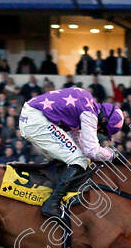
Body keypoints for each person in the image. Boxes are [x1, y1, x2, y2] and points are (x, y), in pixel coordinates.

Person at [18, 86, 124, 220]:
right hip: (36, 119)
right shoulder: (90, 114)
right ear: (103, 120)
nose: (99, 131)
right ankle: (52, 204)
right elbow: (92, 150)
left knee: (73, 158)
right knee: (78, 160)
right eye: (102, 130)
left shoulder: (86, 104)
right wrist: (112, 154)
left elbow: (77, 140)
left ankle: (47, 193)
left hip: (32, 116)